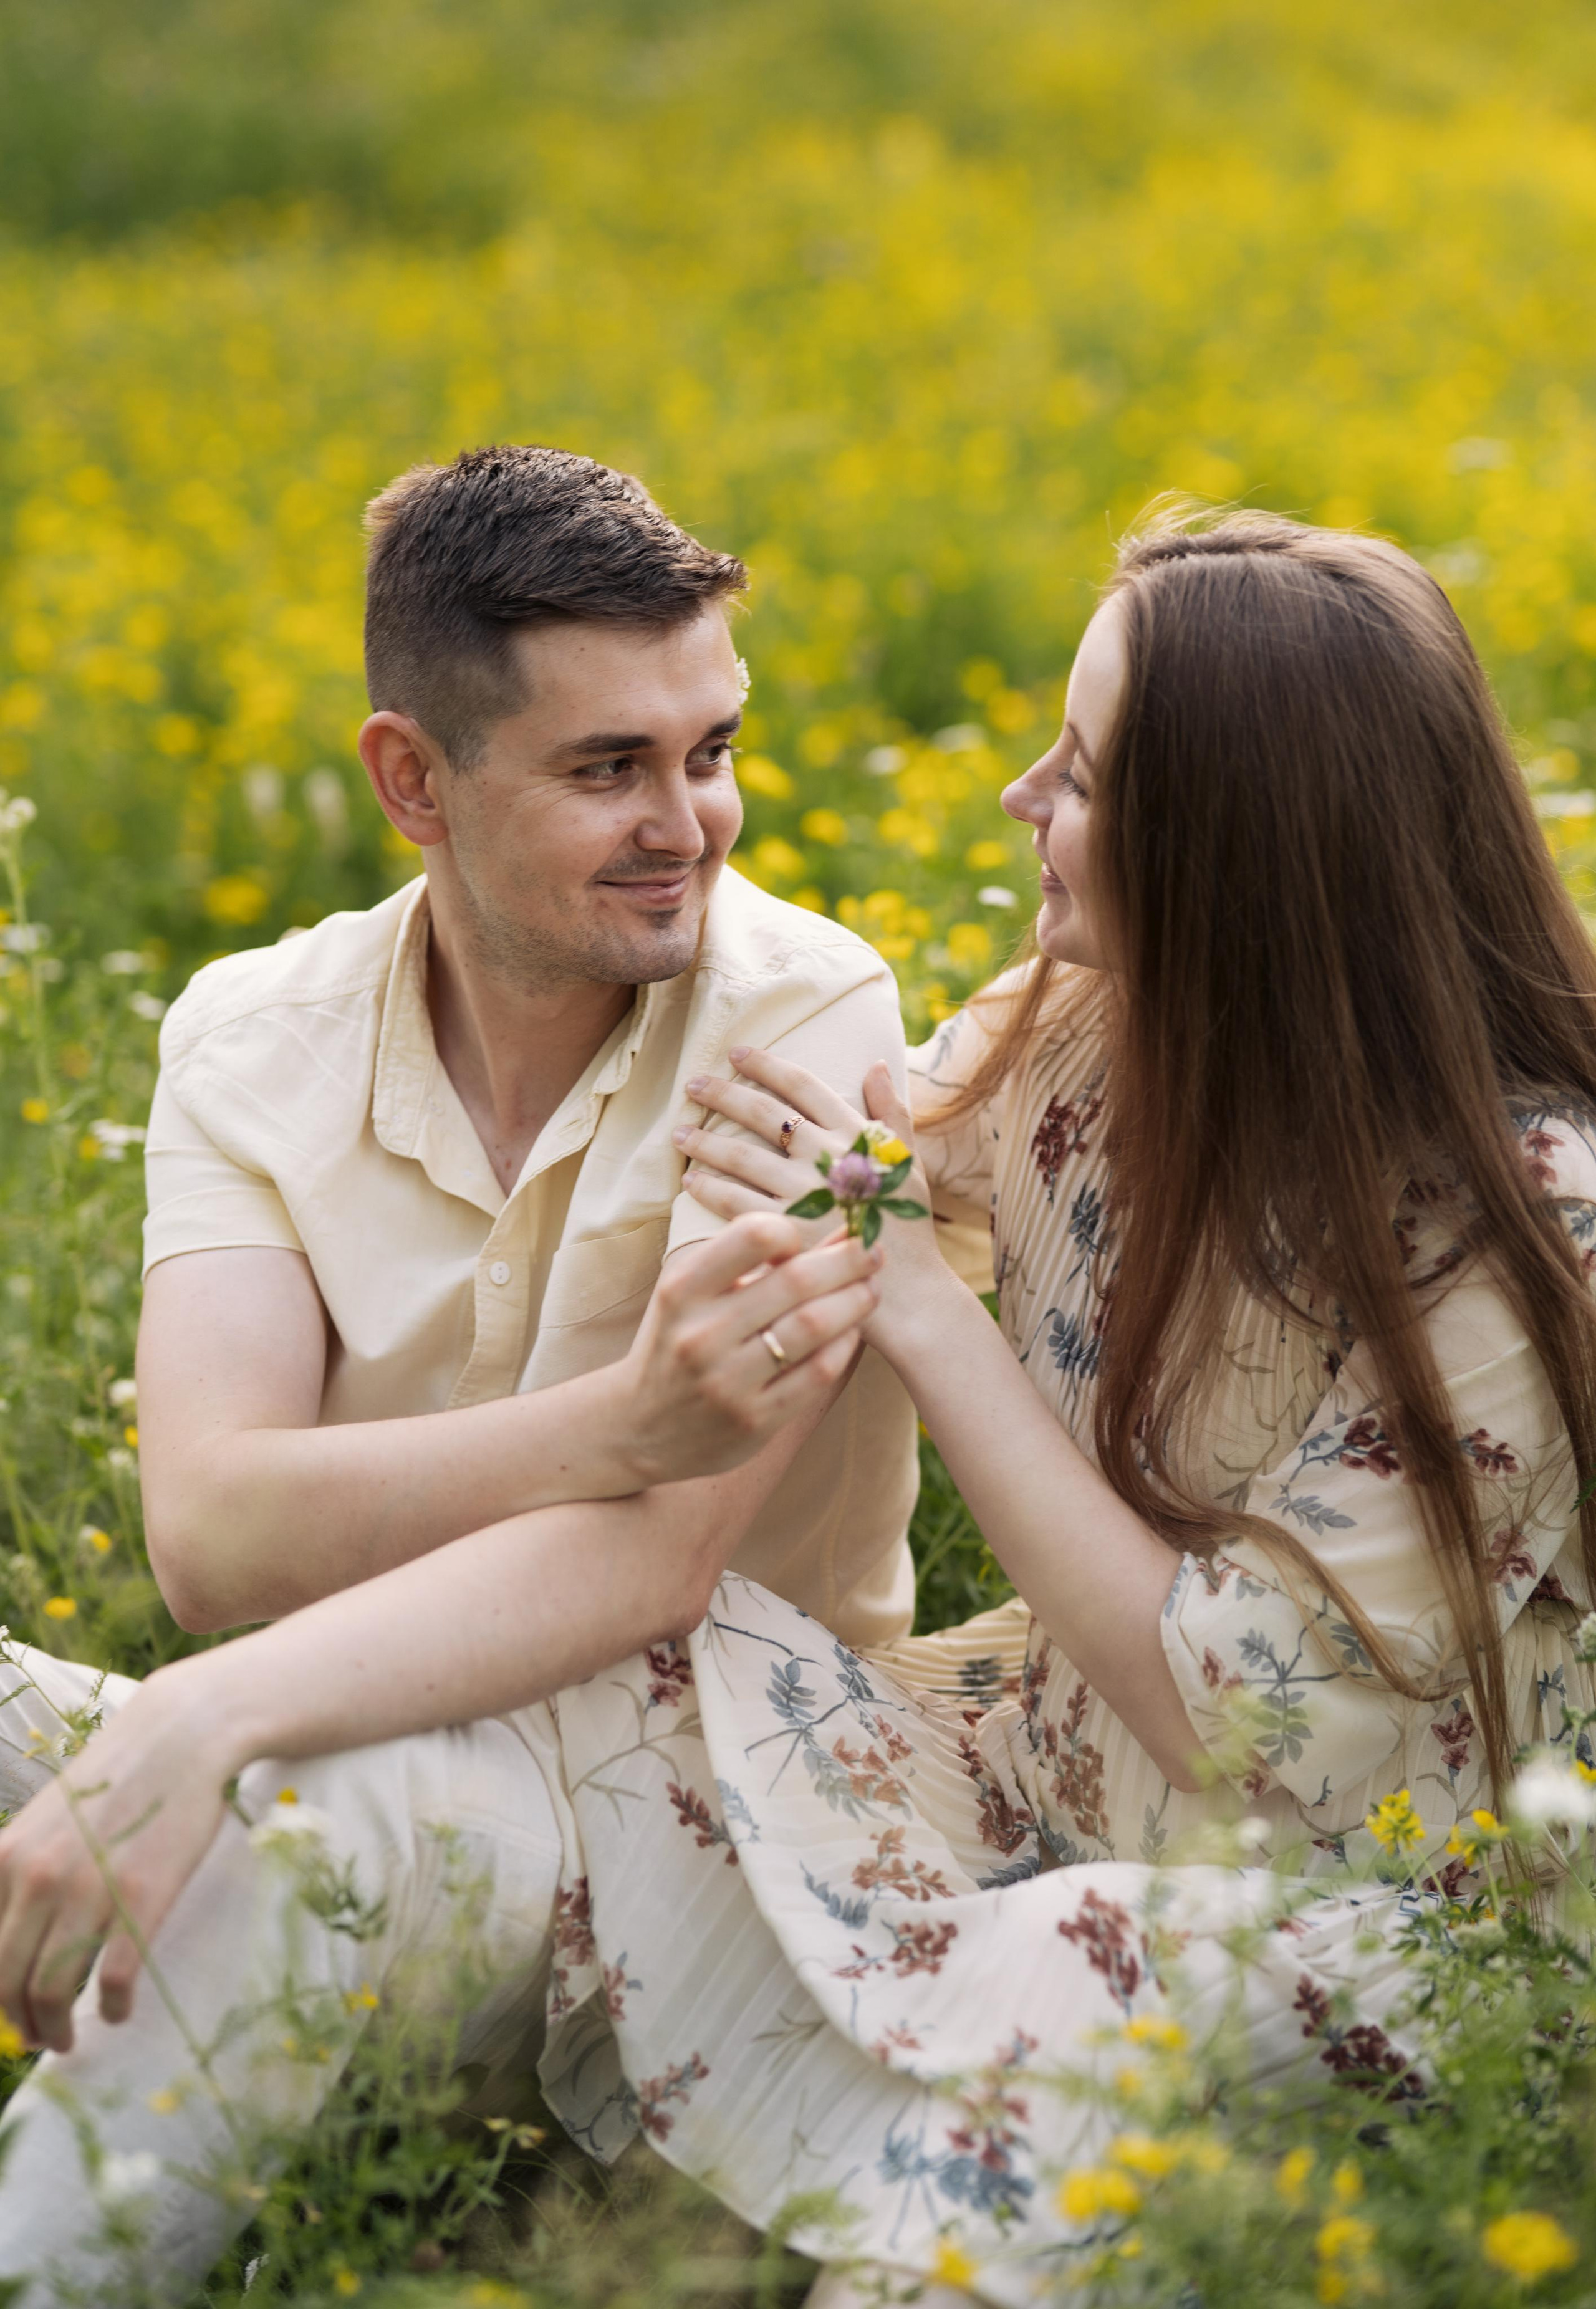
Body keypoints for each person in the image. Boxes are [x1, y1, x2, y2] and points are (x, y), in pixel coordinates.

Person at [529, 508, 1596, 2305]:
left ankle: (885, 2178)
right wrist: (784, 1168)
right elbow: (864, 1165)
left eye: (1085, 774)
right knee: (624, 1669)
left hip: (1399, 1925)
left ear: (1234, 855)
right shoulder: (1089, 1021)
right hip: (1051, 1788)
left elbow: (1235, 1735)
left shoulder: (1524, 1231)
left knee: (1071, 1983)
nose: (1023, 794)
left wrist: (926, 1322)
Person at [0, 444, 920, 2302]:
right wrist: (619, 1421)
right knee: (299, 1775)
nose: (693, 824)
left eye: (712, 749)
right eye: (610, 769)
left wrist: (205, 1713)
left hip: (709, 1843)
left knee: (305, 1794)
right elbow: (213, 1532)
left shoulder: (810, 1019)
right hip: (334, 1747)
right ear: (412, 781)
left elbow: (649, 1565)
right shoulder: (252, 1035)